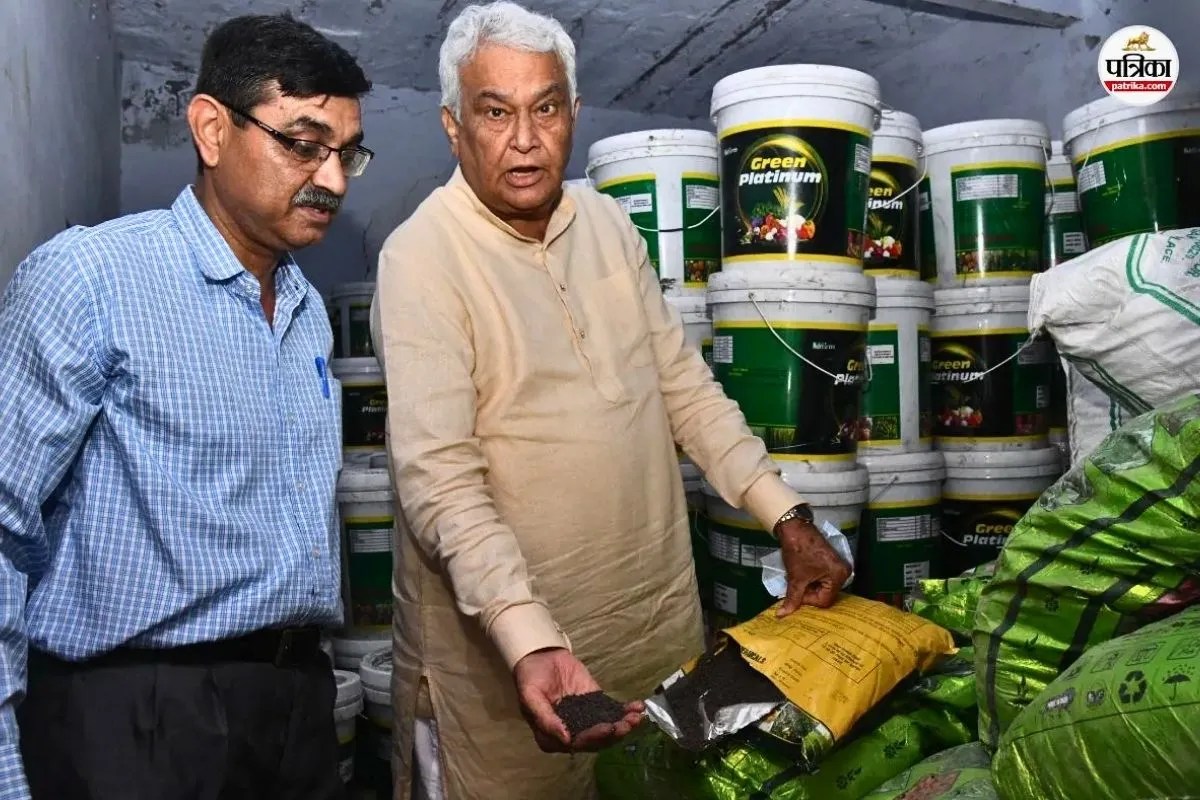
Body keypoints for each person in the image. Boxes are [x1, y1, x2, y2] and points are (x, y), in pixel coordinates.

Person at [373, 3, 851, 799]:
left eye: (545, 108)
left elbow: (685, 389)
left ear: (574, 112)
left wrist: (788, 518)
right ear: (454, 127)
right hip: (511, 667)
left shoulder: (606, 224)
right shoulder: (421, 259)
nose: (525, 139)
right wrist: (530, 641)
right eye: (495, 112)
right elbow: (440, 482)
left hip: (652, 633)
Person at [0, 13, 372, 800]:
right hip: (137, 720)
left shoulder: (304, 310)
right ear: (210, 128)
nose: (334, 181)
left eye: (346, 154)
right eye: (304, 145)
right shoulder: (92, 279)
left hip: (295, 707)